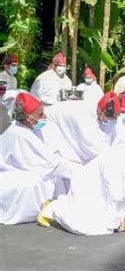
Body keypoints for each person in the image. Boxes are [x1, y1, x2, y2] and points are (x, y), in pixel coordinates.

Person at [37, 124, 125, 235]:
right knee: (81, 226)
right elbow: (115, 194)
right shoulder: (121, 159)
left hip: (116, 195)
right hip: (91, 187)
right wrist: (119, 222)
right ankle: (53, 208)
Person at [0, 93, 79, 224]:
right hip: (7, 177)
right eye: (40, 114)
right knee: (37, 181)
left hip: (19, 171)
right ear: (27, 118)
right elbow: (49, 163)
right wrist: (80, 171)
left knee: (55, 178)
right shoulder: (20, 134)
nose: (44, 117)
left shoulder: (29, 128)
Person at [45, 91, 122, 164]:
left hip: (65, 120)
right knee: (61, 157)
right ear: (100, 113)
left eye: (115, 119)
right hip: (50, 121)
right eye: (110, 119)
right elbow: (93, 149)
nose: (113, 122)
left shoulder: (102, 113)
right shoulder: (84, 117)